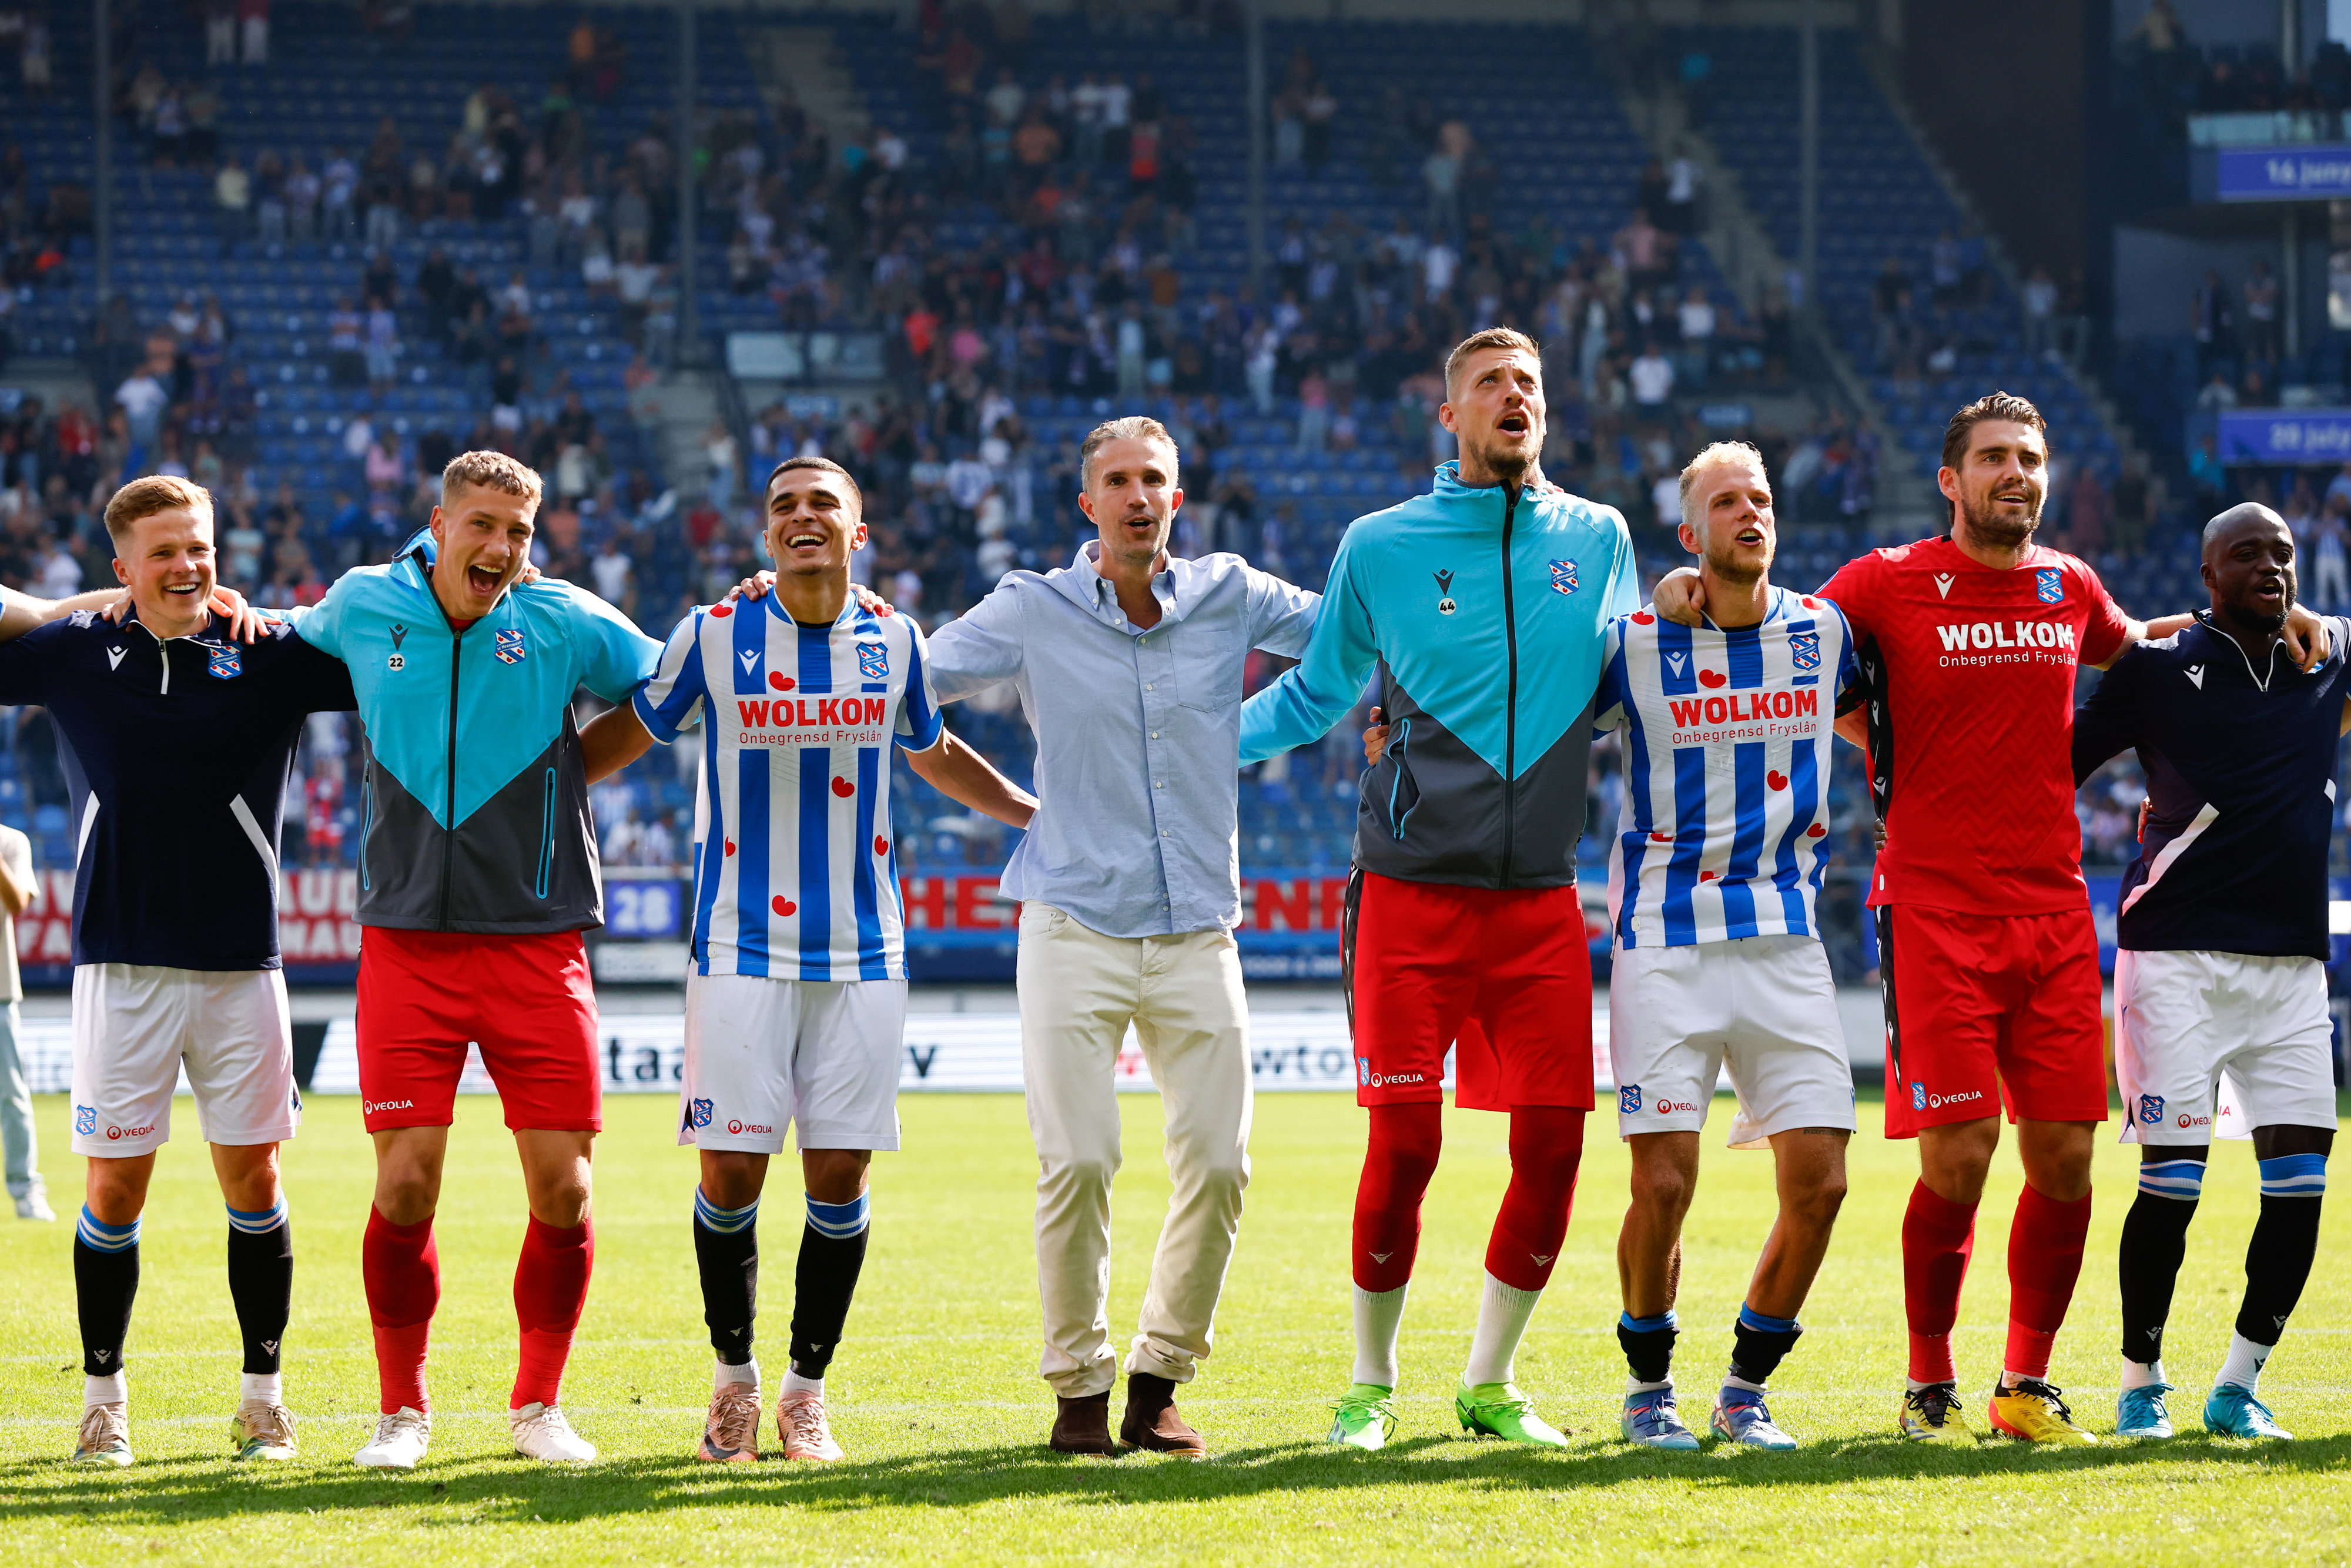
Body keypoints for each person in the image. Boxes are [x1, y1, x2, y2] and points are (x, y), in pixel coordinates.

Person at [1653, 391, 2329, 1444]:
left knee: (2066, 1162)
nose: (2016, 474)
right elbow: (1780, 632)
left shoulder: (2072, 585)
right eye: (1995, 458)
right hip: (1932, 906)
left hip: (2055, 911)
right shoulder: (1885, 582)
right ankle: (1930, 1379)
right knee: (1959, 1158)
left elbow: (2147, 644)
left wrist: (2278, 613)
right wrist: (1695, 587)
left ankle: (2025, 1383)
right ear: (1950, 480)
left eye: (2030, 459)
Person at [587, 457, 1036, 1464]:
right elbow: (636, 726)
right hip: (738, 945)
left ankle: (805, 1392)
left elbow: (931, 745)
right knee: (734, 1171)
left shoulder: (897, 638)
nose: (803, 516)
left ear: (857, 531)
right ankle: (733, 1383)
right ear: (764, 535)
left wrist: (1027, 812)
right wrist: (533, 791)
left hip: (866, 948)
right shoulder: (712, 633)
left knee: (839, 1173)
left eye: (822, 503)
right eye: (784, 505)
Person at [1240, 328, 1638, 1451]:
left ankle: (1490, 1380)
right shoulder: (1380, 544)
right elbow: (1316, 692)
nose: (1515, 397)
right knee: (1405, 1143)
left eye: (1530, 384)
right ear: (1449, 418)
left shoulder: (1599, 535)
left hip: (1543, 899)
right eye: (1490, 386)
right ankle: (1370, 1384)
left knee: (1557, 1147)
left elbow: (1614, 688)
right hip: (1409, 894)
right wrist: (1189, 745)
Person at [920, 416, 1319, 1458]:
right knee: (1081, 1158)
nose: (1139, 496)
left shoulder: (1233, 591)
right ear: (1086, 503)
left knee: (1224, 1166)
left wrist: (1381, 694)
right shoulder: (1032, 606)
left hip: (1198, 930)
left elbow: (1359, 631)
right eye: (1118, 481)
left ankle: (1157, 1380)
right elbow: (903, 682)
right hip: (1071, 924)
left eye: (1156, 480)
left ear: (1177, 502)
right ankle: (1078, 1394)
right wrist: (1011, 801)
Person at [287, 451, 665, 1469]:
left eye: (520, 532)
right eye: (483, 524)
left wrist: (577, 769)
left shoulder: (566, 619)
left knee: (567, 1190)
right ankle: (400, 1411)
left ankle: (539, 1403)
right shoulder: (364, 603)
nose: (500, 547)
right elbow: (271, 638)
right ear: (441, 522)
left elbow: (677, 683)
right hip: (406, 944)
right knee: (406, 1183)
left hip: (538, 944)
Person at [0, 476, 335, 1466]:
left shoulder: (269, 653)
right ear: (123, 568)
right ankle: (104, 1401)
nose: (189, 567)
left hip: (242, 962)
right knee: (114, 1191)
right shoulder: (72, 653)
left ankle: (262, 1399)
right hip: (119, 962)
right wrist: (72, 607)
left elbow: (390, 627)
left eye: (200, 548)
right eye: (164, 553)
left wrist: (273, 611)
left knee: (256, 1180)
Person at [1592, 443, 1858, 1450]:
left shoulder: (1827, 629)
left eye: (1761, 499)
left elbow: (1890, 724)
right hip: (1663, 940)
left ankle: (1745, 1387)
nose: (1750, 513)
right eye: (1725, 502)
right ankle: (1648, 1385)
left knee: (1823, 1184)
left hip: (1786, 942)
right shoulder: (1636, 641)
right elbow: (1533, 718)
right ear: (1689, 533)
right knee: (1661, 1182)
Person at [2073, 503, 2343, 1442]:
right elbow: (2054, 763)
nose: (2270, 567)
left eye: (2283, 554)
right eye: (2247, 555)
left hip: (2292, 971)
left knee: (2302, 1185)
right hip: (2175, 960)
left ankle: (2239, 1384)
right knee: (2172, 1184)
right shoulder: (2154, 671)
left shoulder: (2326, 658)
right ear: (2206, 576)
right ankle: (2141, 1381)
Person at [0, 818, 47, 1223]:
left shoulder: (11, 840)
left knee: (12, 1096)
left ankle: (25, 1189)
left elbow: (18, 904)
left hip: (0, 991)